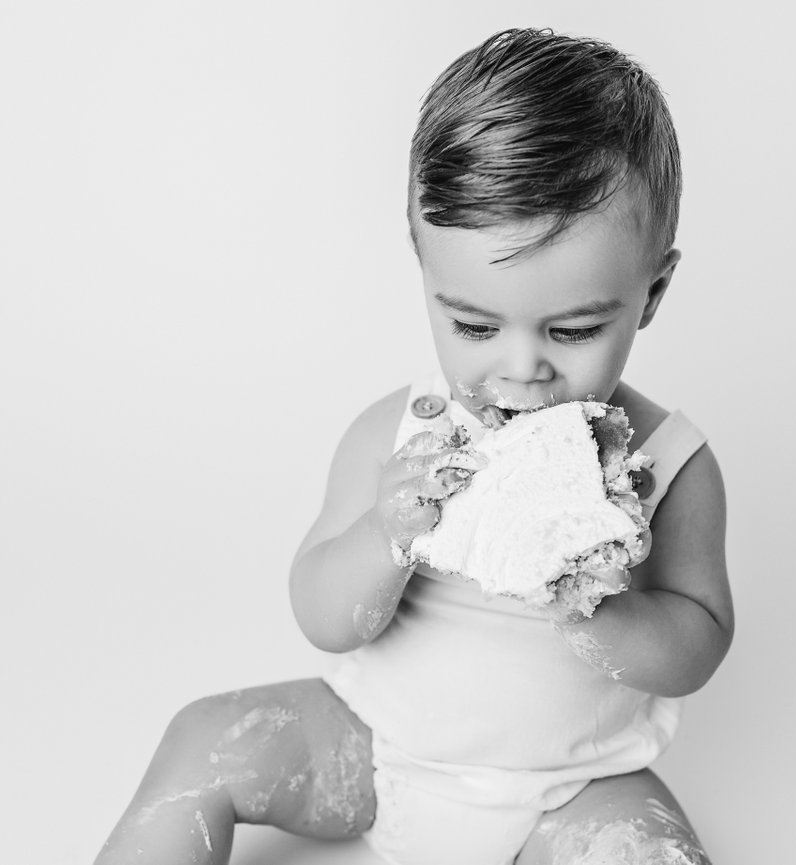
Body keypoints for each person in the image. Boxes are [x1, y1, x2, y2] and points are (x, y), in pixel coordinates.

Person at [95, 27, 734, 865]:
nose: (521, 369)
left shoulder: (669, 463)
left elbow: (695, 644)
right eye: (472, 323)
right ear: (423, 272)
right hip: (375, 749)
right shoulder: (400, 433)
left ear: (650, 292)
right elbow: (324, 617)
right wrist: (387, 533)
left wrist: (599, 607)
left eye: (574, 329)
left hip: (571, 787)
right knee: (206, 738)